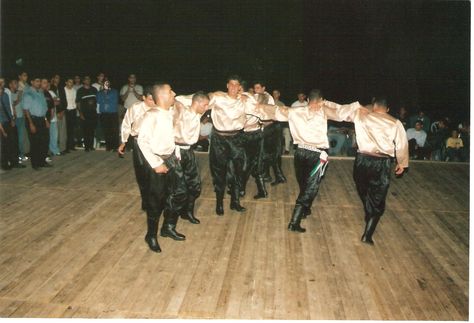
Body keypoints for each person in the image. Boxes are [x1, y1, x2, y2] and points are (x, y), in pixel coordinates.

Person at [262, 89, 363, 233]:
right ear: (321, 100)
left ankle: (305, 209)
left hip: (300, 153)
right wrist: (357, 106)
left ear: (308, 100)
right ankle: (294, 221)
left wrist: (255, 107)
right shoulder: (324, 111)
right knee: (310, 187)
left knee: (304, 184)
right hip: (318, 155)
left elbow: (275, 111)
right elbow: (343, 112)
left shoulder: (296, 111)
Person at [325, 97, 408, 245]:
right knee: (377, 197)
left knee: (363, 189)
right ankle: (368, 233)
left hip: (362, 160)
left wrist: (324, 103)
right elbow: (402, 144)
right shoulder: (395, 122)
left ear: (374, 107)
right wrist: (402, 163)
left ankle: (369, 213)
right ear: (387, 109)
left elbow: (340, 111)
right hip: (382, 162)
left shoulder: (361, 115)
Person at [138, 83, 187, 253]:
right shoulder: (151, 115)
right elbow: (142, 141)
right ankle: (151, 235)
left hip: (172, 159)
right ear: (162, 97)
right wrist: (156, 164)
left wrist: (177, 153)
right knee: (156, 201)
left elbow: (173, 136)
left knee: (179, 193)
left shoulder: (170, 112)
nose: (174, 93)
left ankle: (168, 227)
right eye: (170, 91)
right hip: (157, 162)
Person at [208, 75, 250, 215]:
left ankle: (235, 202)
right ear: (227, 85)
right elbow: (200, 102)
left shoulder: (244, 99)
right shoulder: (218, 97)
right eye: (231, 84)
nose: (233, 87)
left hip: (237, 138)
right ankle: (219, 203)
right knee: (219, 172)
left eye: (236, 85)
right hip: (219, 139)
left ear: (239, 87)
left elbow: (261, 108)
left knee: (239, 171)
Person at [173, 92, 210, 224]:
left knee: (195, 185)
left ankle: (187, 212)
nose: (207, 108)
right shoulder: (181, 110)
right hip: (176, 151)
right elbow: (177, 99)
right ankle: (169, 223)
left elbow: (197, 100)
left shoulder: (199, 113)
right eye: (205, 105)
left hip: (188, 151)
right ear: (197, 103)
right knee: (177, 188)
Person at [119, 86, 156, 211]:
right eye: (150, 99)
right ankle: (145, 200)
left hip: (154, 143)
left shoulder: (159, 109)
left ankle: (154, 200)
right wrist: (123, 141)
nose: (153, 102)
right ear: (144, 98)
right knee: (142, 173)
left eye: (154, 99)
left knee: (154, 172)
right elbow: (126, 123)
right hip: (138, 142)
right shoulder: (136, 107)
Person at [254, 81, 286, 186]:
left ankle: (273, 176)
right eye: (255, 88)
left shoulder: (268, 98)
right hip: (266, 128)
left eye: (258, 88)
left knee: (271, 153)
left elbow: (269, 115)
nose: (256, 90)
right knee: (266, 153)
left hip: (272, 128)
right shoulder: (256, 96)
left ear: (263, 88)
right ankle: (273, 176)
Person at [22, 77, 50, 170]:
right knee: (35, 142)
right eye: (37, 81)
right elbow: (26, 110)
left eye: (39, 81)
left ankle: (42, 161)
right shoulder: (28, 93)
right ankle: (35, 164)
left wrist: (46, 120)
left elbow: (44, 108)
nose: (39, 83)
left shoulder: (40, 93)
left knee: (44, 141)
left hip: (42, 119)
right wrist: (31, 123)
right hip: (33, 120)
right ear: (32, 82)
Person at [0, 86, 23, 170]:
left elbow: (9, 107)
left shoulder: (5, 95)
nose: (1, 91)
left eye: (1, 89)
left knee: (13, 142)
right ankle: (4, 164)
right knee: (4, 145)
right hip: (1, 123)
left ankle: (14, 162)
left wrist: (12, 119)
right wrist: (3, 131)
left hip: (9, 120)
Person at [76, 76, 98, 152]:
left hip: (93, 112)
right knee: (86, 130)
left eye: (89, 79)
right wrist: (81, 113)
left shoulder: (94, 89)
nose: (87, 80)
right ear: (83, 81)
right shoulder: (80, 90)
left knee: (92, 130)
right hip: (85, 113)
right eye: (86, 79)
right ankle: (87, 147)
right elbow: (78, 103)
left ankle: (91, 146)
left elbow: (97, 100)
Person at [97, 80, 119, 151]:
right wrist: (106, 97)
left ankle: (115, 147)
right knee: (106, 130)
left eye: (108, 83)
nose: (106, 84)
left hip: (112, 113)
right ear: (103, 84)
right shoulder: (99, 92)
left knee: (114, 130)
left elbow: (114, 100)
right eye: (105, 83)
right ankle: (109, 146)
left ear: (110, 84)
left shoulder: (114, 91)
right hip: (104, 114)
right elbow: (98, 101)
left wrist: (105, 98)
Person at [41, 79, 60, 157]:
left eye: (47, 83)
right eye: (45, 83)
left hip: (52, 117)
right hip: (43, 118)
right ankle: (45, 153)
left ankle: (54, 150)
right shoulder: (40, 93)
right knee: (45, 136)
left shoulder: (50, 93)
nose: (47, 85)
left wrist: (51, 115)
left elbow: (57, 102)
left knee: (54, 135)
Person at [59, 78, 78, 152]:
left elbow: (75, 101)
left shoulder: (74, 90)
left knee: (72, 129)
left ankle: (71, 146)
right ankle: (66, 147)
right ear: (66, 82)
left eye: (72, 82)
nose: (71, 83)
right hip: (66, 111)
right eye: (70, 82)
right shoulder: (63, 90)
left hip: (73, 111)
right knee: (66, 130)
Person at [50, 74, 67, 153]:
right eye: (56, 78)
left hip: (62, 112)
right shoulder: (50, 88)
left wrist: (62, 111)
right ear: (53, 79)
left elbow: (64, 100)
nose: (58, 79)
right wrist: (56, 113)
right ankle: (54, 149)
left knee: (62, 131)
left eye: (59, 78)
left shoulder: (61, 88)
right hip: (54, 113)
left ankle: (62, 149)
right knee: (54, 133)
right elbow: (52, 102)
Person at [273, 89, 291, 154]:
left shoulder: (282, 104)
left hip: (281, 123)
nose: (275, 95)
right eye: (273, 93)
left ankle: (287, 149)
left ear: (279, 94)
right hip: (272, 124)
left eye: (276, 93)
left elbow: (285, 115)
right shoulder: (270, 102)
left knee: (287, 132)